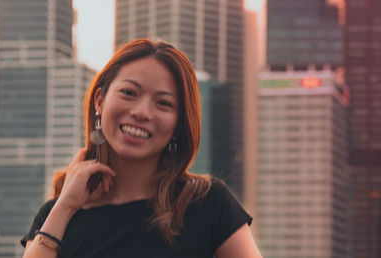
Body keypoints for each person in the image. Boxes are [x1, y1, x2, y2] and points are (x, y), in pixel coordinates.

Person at [21, 38, 262, 258]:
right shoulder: (57, 215)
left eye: (164, 103)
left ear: (179, 123)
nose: (141, 112)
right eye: (129, 92)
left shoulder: (208, 204)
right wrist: (65, 206)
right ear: (100, 100)